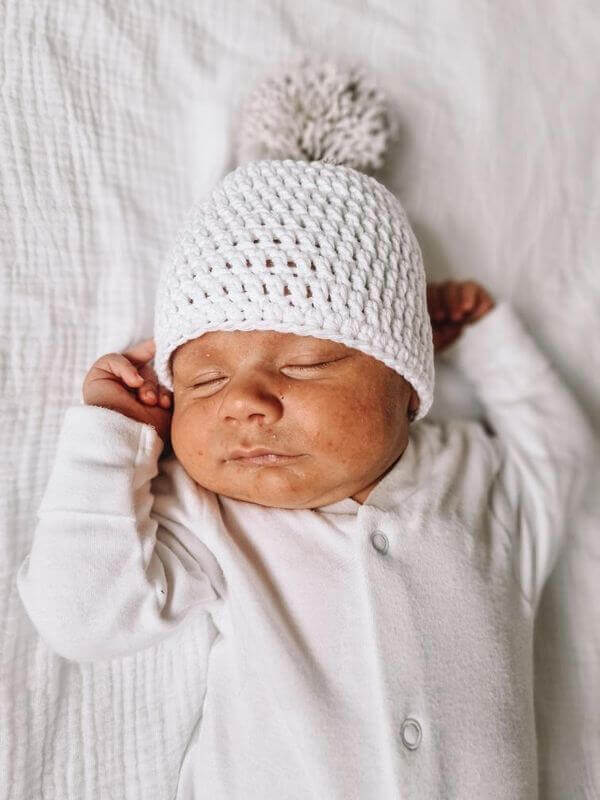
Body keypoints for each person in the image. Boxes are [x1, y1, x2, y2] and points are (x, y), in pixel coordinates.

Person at [16, 62, 596, 800]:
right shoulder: (217, 514)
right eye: (204, 380)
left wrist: (490, 341)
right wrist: (112, 434)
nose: (247, 403)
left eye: (308, 362)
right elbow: (79, 618)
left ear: (407, 385)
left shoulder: (476, 482)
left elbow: (565, 456)